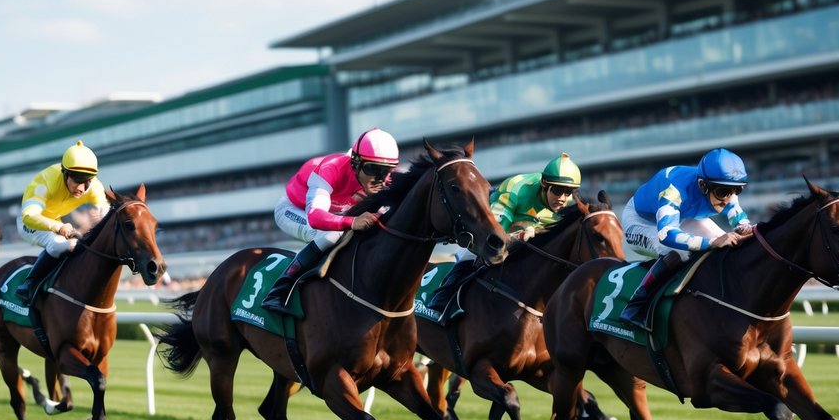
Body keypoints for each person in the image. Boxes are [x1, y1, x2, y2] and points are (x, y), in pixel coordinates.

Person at [261, 127, 399, 314]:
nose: (380, 178)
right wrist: (352, 222)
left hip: (335, 211)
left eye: (387, 171)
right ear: (356, 162)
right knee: (332, 233)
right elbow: (315, 217)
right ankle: (280, 289)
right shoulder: (330, 168)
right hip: (294, 209)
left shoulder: (385, 179)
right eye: (373, 169)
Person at [428, 153, 582, 317]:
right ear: (544, 184)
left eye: (568, 192)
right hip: (498, 234)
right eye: (557, 191)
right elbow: (493, 241)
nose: (563, 198)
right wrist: (520, 236)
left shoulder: (571, 204)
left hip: (532, 247)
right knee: (474, 257)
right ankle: (441, 299)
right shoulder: (516, 187)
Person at [618, 148, 754, 330]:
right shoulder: (674, 190)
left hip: (682, 217)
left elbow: (737, 217)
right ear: (703, 186)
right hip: (640, 221)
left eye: (737, 191)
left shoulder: (723, 187)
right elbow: (666, 234)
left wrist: (745, 227)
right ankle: (635, 306)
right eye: (723, 192)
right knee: (679, 251)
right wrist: (712, 243)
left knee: (728, 246)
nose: (729, 199)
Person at [13, 140, 110, 301]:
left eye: (86, 180)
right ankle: (29, 285)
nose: (81, 187)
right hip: (29, 223)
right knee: (61, 244)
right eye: (77, 179)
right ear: (65, 173)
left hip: (57, 223)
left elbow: (106, 215)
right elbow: (29, 216)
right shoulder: (44, 182)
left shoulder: (94, 187)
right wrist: (58, 226)